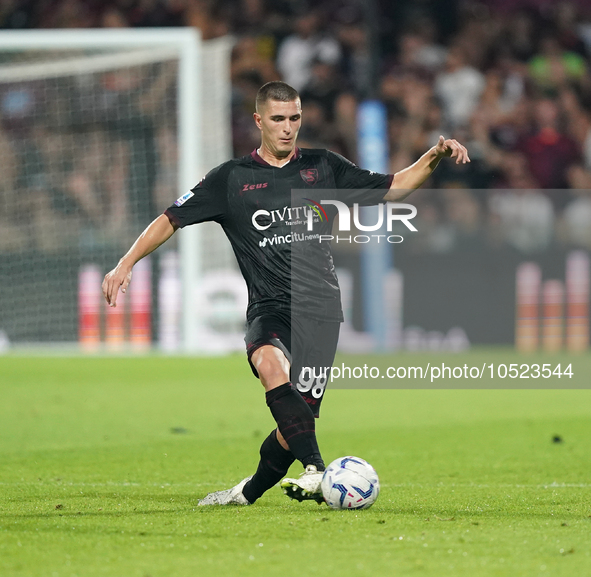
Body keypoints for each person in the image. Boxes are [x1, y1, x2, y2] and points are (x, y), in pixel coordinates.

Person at [102, 81, 469, 506]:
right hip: (270, 308)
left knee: (296, 424)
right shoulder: (231, 179)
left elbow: (395, 187)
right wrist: (125, 262)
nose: (287, 127)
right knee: (269, 364)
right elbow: (171, 218)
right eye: (278, 119)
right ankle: (316, 469)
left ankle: (246, 493)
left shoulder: (323, 166)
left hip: (321, 312)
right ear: (259, 121)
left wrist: (435, 156)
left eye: (294, 118)